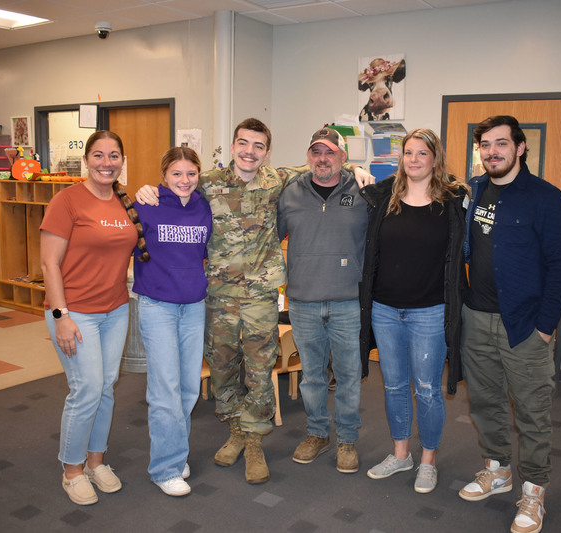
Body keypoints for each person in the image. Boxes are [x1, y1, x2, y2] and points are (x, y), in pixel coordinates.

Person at [136, 119, 372, 484]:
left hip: (261, 296)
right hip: (217, 296)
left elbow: (323, 165)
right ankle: (235, 432)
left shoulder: (279, 180)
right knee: (224, 370)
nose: (250, 151)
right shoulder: (208, 183)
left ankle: (255, 442)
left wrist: (358, 168)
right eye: (243, 143)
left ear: (267, 152)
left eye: (258, 146)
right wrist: (147, 189)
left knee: (260, 372)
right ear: (232, 146)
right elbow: (174, 190)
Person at [458, 115, 561, 533]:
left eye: (501, 144)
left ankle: (534, 491)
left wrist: (545, 326)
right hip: (477, 318)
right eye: (485, 145)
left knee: (532, 411)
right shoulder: (473, 192)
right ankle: (498, 469)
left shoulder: (546, 198)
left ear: (520, 148)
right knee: (485, 403)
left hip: (525, 325)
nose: (493, 152)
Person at [359, 128, 468, 494]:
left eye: (423, 153)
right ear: (401, 158)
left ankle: (428, 461)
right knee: (392, 386)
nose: (415, 159)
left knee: (427, 390)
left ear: (435, 159)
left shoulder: (453, 201)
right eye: (409, 153)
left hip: (430, 312)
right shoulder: (383, 198)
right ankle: (401, 453)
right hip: (385, 309)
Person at [40, 130, 139, 505]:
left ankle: (97, 462)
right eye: (99, 155)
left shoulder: (124, 202)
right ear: (87, 160)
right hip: (74, 311)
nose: (106, 163)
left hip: (115, 309)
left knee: (107, 387)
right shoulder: (66, 201)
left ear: (121, 161)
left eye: (114, 156)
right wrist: (60, 315)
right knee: (87, 388)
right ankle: (72, 470)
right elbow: (49, 262)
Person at [276, 127, 369, 474]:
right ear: (308, 157)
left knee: (348, 375)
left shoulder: (363, 191)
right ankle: (317, 432)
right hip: (303, 301)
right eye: (316, 152)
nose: (323, 159)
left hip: (348, 301)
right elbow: (269, 239)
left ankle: (346, 438)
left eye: (330, 152)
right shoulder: (290, 194)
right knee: (312, 376)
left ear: (343, 157)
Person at [132, 147, 212, 497]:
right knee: (165, 389)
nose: (184, 180)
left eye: (191, 174)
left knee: (188, 388)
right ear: (164, 175)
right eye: (177, 174)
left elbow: (203, 254)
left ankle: (175, 454)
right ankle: (164, 468)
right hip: (157, 306)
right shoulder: (145, 205)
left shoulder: (203, 206)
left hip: (193, 306)